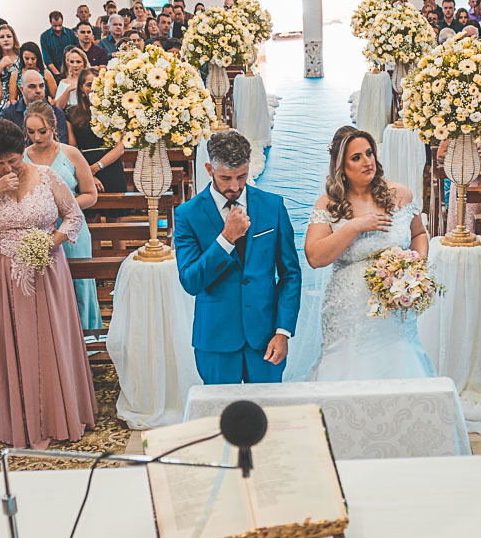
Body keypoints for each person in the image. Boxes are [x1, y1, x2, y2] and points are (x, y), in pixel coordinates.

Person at [0, 118, 96, 448]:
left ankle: (59, 414)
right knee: (12, 340)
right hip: (1, 271)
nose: (7, 167)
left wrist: (52, 242)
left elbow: (73, 215)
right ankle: (17, 420)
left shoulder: (48, 177)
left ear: (23, 151)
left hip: (47, 268)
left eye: (13, 160)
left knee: (51, 339)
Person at [305, 126, 434, 381]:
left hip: (395, 309)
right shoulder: (328, 205)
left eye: (369, 153)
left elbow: (419, 234)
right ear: (342, 166)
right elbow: (315, 257)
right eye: (356, 157)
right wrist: (355, 226)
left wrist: (415, 266)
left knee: (401, 366)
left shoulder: (401, 195)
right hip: (350, 315)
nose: (367, 162)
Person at [175, 130, 301, 384]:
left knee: (269, 415)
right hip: (216, 340)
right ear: (209, 169)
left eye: (241, 176)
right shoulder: (187, 215)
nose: (234, 187)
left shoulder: (272, 206)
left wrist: (282, 331)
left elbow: (290, 274)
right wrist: (225, 239)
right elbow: (191, 281)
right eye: (226, 178)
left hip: (266, 338)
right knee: (220, 418)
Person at [22, 101, 99, 330]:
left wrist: (62, 207)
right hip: (35, 231)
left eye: (42, 131)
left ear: (54, 126)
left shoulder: (71, 154)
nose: (37, 137)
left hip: (71, 229)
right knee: (43, 285)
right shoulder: (23, 157)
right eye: (31, 132)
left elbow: (90, 195)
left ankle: (87, 338)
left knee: (80, 285)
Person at [68, 67, 126, 194]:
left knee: (116, 211)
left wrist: (96, 167)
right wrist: (88, 173)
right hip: (84, 167)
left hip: (110, 166)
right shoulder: (71, 113)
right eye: (89, 85)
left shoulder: (113, 111)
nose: (94, 88)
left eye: (97, 84)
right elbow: (72, 149)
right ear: (82, 89)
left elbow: (120, 148)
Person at [0, 69, 72, 145]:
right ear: (22, 89)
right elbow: (4, 145)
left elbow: (61, 144)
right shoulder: (8, 113)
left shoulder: (56, 112)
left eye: (41, 86)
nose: (38, 90)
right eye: (32, 87)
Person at [0, 24, 22, 108]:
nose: (6, 40)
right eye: (2, 37)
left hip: (20, 100)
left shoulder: (22, 57)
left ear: (14, 39)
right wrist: (0, 66)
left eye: (9, 36)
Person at [39, 11, 78, 79]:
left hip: (71, 72)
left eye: (60, 25)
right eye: (55, 26)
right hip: (54, 73)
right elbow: (47, 59)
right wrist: (58, 74)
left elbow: (76, 53)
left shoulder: (71, 34)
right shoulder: (44, 36)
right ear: (50, 23)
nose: (58, 28)